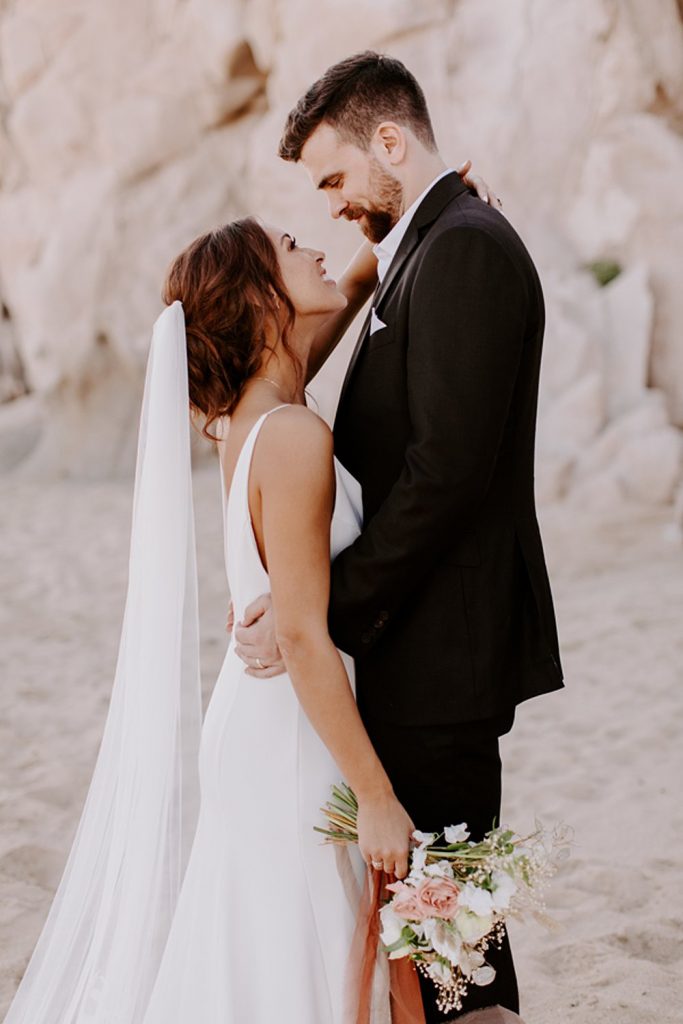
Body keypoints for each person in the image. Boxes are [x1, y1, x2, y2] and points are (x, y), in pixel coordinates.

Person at [4, 160, 498, 1021]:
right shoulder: (295, 435)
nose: (313, 249)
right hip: (291, 730)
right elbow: (303, 637)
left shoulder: (247, 417)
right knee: (296, 957)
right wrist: (377, 799)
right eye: (289, 247)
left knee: (264, 948)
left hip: (257, 721)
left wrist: (418, 212)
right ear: (261, 302)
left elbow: (334, 300)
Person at [232, 51, 564, 1022]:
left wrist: (321, 605)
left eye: (334, 176)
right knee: (438, 947)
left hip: (440, 661)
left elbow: (445, 476)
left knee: (458, 953)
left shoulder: (461, 247)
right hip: (412, 654)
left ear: (390, 141)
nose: (332, 204)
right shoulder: (428, 242)